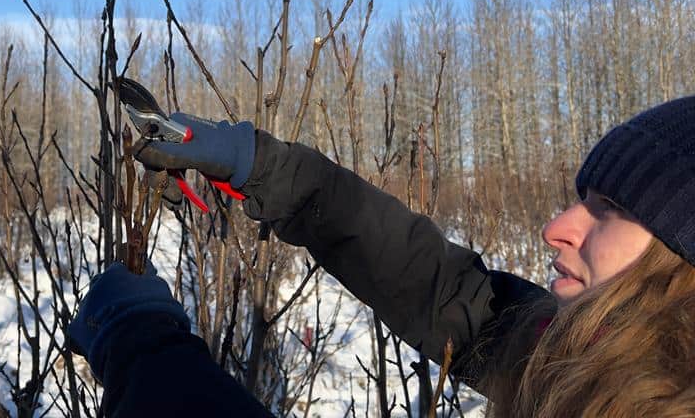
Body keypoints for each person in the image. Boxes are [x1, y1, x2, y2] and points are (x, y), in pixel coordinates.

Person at [68, 96, 695, 417]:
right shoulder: (581, 351)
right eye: (579, 199)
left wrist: (148, 355)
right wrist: (262, 166)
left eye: (610, 208)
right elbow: (447, 291)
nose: (556, 226)